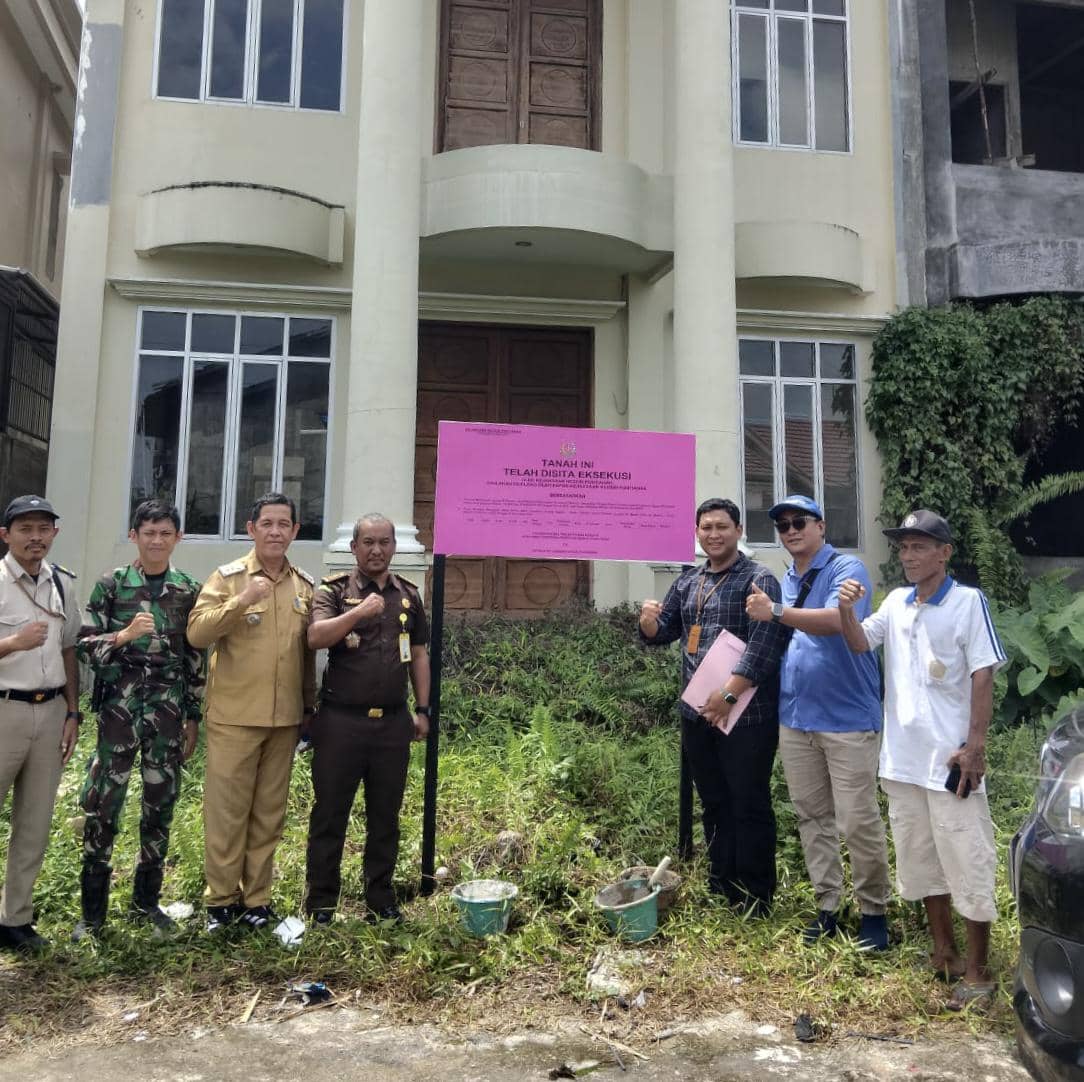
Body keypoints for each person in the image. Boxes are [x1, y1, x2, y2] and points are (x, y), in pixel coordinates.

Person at [835, 510, 1006, 1009]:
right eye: (904, 547)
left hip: (951, 763)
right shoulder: (895, 602)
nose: (909, 555)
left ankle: (977, 970)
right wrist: (846, 610)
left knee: (967, 861)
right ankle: (943, 953)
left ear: (944, 552)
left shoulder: (968, 602)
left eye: (919, 546)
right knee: (922, 861)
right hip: (903, 763)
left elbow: (983, 675)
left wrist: (975, 746)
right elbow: (859, 641)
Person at [746, 495, 890, 949]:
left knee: (857, 821)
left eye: (799, 522)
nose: (790, 530)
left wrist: (776, 611)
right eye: (782, 524)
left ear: (821, 526)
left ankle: (873, 913)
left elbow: (834, 621)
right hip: (796, 719)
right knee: (812, 818)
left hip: (847, 719)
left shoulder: (848, 571)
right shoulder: (785, 578)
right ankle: (828, 905)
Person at [639, 498, 789, 914]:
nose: (714, 534)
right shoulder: (689, 581)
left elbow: (766, 646)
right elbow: (665, 630)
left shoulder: (758, 580)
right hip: (697, 713)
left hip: (745, 716)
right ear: (697, 532)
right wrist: (648, 624)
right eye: (706, 527)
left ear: (739, 531)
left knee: (749, 800)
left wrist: (728, 695)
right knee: (715, 801)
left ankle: (757, 895)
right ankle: (723, 883)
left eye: (722, 526)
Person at [74, 499, 204, 939]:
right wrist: (124, 635)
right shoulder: (111, 585)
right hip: (119, 713)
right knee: (103, 805)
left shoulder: (187, 589)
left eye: (165, 533)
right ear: (134, 536)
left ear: (177, 538)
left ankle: (146, 906)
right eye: (148, 532)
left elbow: (194, 659)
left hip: (166, 715)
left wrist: (193, 716)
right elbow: (84, 645)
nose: (156, 540)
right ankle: (91, 916)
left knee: (160, 804)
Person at [187, 493, 315, 933]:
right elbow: (198, 634)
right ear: (251, 528)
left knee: (268, 814)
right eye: (268, 524)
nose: (276, 532)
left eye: (285, 524)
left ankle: (256, 901)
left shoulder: (305, 586)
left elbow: (306, 658)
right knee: (226, 813)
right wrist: (242, 600)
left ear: (296, 531)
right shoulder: (228, 578)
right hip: (234, 717)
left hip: (284, 722)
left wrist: (309, 711)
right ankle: (220, 902)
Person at [304, 514, 430, 925]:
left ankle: (381, 900)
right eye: (368, 543)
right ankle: (321, 904)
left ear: (394, 547)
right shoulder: (334, 591)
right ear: (354, 548)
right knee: (329, 815)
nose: (376, 550)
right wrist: (357, 615)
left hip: (392, 724)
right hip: (341, 722)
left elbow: (420, 655)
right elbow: (316, 637)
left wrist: (423, 709)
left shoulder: (408, 595)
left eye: (384, 543)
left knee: (385, 817)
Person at [0, 495, 81, 952]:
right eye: (25, 528)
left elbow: (68, 650)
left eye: (43, 528)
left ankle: (15, 918)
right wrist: (13, 641)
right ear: (6, 535)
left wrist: (72, 711)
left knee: (34, 821)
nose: (35, 537)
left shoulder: (63, 583)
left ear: (55, 533)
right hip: (4, 708)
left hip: (50, 712)